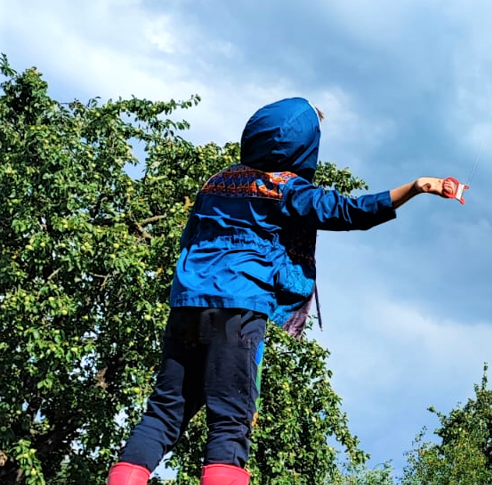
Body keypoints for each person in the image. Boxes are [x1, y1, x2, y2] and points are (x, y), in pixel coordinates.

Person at [106, 97, 455, 485]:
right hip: (237, 312)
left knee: (165, 410)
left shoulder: (217, 182)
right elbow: (351, 212)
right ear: (304, 148)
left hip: (187, 306)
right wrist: (417, 187)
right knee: (232, 418)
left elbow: (192, 240)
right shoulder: (285, 190)